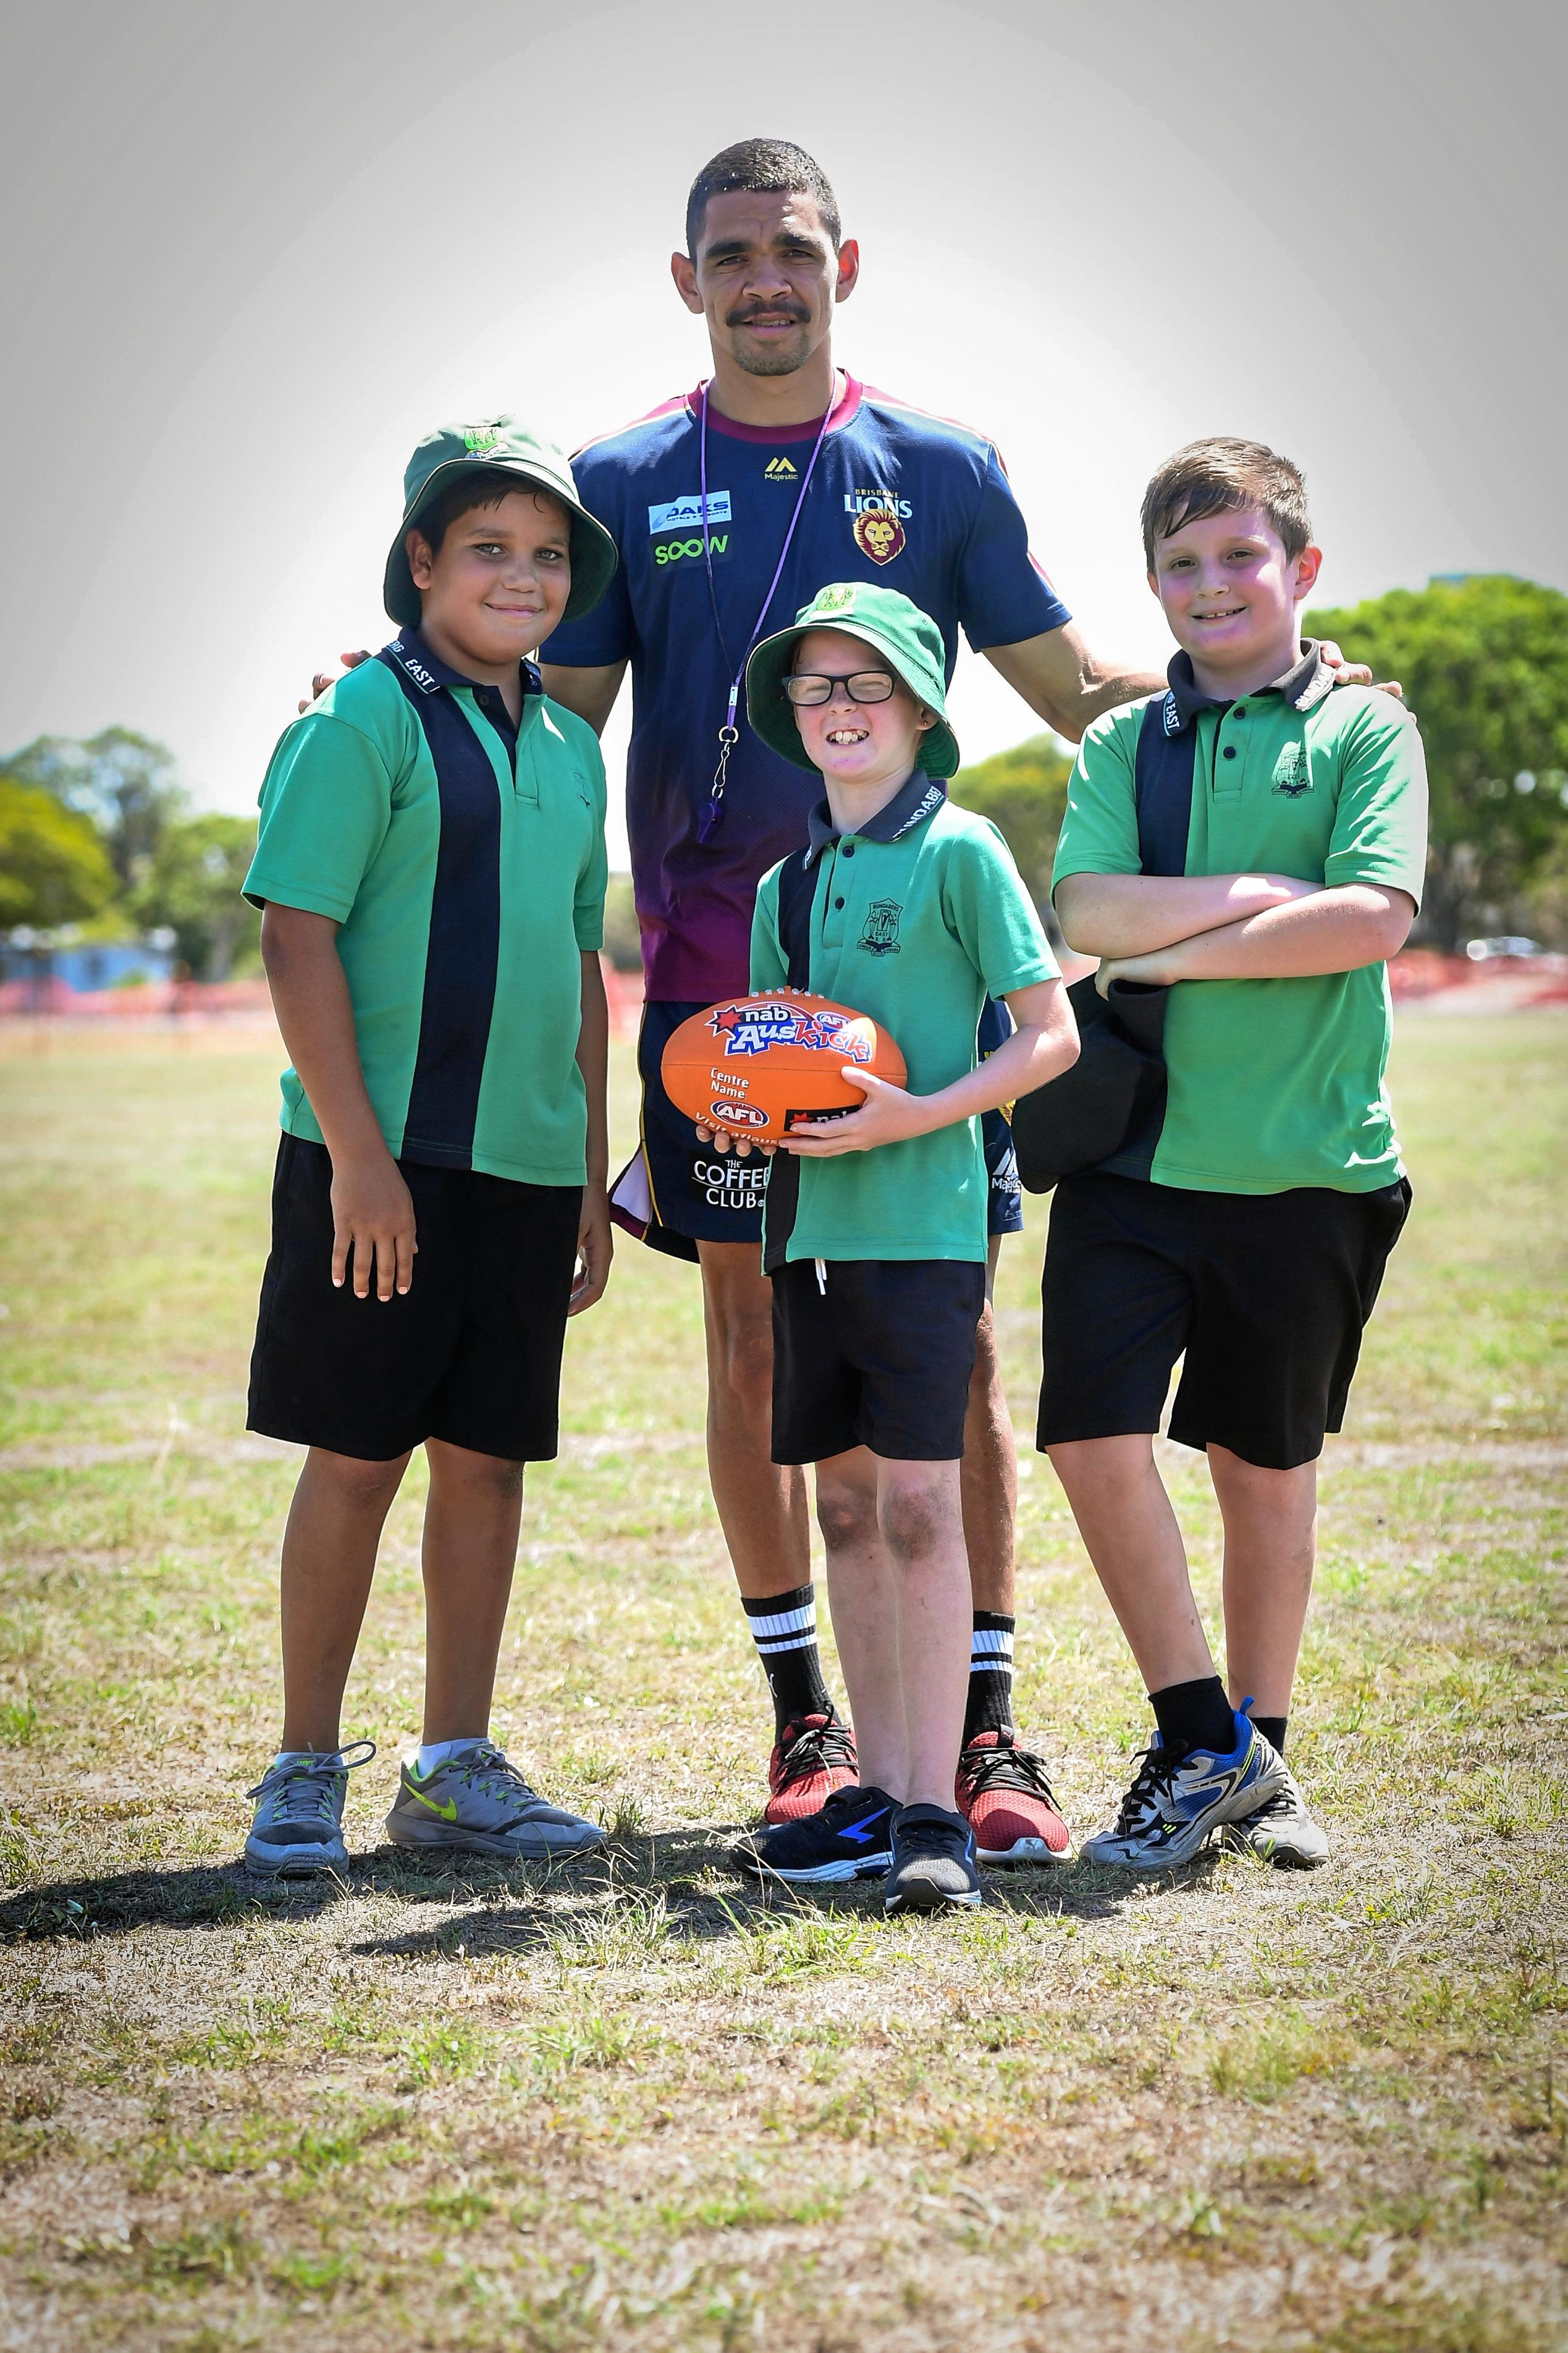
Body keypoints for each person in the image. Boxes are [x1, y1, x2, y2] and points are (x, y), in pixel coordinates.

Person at [532, 135, 1171, 1850]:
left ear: (845, 264)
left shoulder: (940, 469)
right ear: (688, 280)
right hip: (714, 1008)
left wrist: (1236, 676)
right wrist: (385, 695)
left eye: (793, 250)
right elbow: (546, 731)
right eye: (732, 253)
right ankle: (803, 1727)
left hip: (920, 1011)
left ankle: (983, 1733)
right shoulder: (615, 480)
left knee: (951, 1356)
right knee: (750, 1344)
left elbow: (1075, 690)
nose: (765, 278)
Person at [1042, 437, 1428, 1871]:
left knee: (1262, 1470)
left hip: (1306, 1164)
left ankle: (1269, 1749)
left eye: (1240, 555)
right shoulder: (1117, 745)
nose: (1213, 584)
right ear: (1154, 586)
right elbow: (1084, 907)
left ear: (1301, 569)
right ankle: (1200, 1734)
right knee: (1090, 1435)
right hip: (1132, 1164)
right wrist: (1268, 897)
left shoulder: (1366, 734)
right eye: (1184, 564)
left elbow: (1372, 918)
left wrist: (1182, 940)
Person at [242, 418, 620, 1875]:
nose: (520, 577)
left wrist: (586, 1171)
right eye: (487, 549)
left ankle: (454, 1763)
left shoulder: (577, 748)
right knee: (356, 1456)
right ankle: (298, 1771)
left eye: (545, 556)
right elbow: (296, 933)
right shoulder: (364, 717)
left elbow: (582, 968)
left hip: (523, 1177)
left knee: (488, 1464)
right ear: (421, 563)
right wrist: (358, 1155)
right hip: (377, 1168)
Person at [730, 583, 1077, 1907]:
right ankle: (875, 1795)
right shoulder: (787, 881)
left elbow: (1051, 1036)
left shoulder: (966, 851)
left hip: (928, 1233)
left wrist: (918, 1117)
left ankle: (937, 1812)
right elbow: (770, 1059)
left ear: (922, 709)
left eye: (865, 684)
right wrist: (746, 1118)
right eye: (816, 687)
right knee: (844, 1508)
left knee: (927, 1506)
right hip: (808, 1235)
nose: (839, 709)